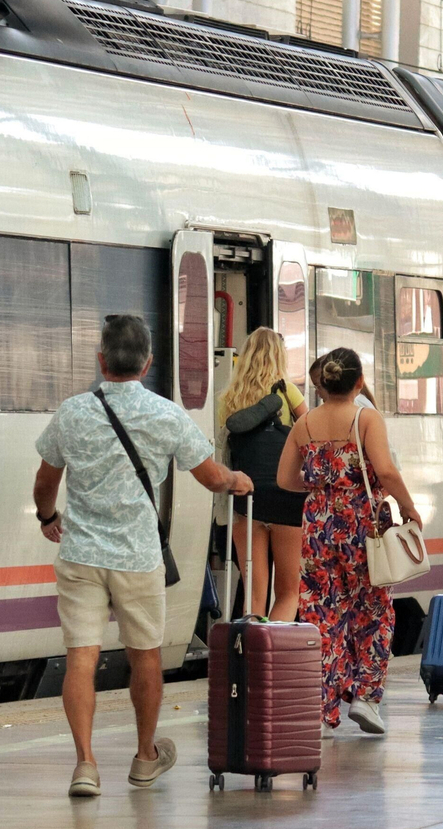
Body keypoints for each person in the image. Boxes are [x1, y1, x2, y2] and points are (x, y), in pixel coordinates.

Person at [33, 314, 252, 798]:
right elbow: (212, 477)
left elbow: (45, 483)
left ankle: (85, 764)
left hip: (82, 554)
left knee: (81, 659)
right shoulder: (166, 414)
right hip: (137, 556)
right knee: (146, 657)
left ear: (100, 361)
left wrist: (47, 517)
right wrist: (237, 480)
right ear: (148, 363)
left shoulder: (72, 412)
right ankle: (145, 755)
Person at [278, 348, 419, 735]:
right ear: (358, 382)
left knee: (322, 614)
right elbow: (386, 471)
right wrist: (410, 509)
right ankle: (367, 699)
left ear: (321, 383)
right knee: (373, 611)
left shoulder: (303, 424)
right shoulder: (366, 418)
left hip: (318, 527)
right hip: (363, 524)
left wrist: (321, 490)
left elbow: (285, 480)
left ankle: (323, 707)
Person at [216, 327, 307, 621]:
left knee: (253, 594)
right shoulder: (287, 390)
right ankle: (274, 662)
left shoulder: (228, 398)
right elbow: (310, 434)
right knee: (288, 592)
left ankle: (250, 659)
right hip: (286, 500)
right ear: (278, 356)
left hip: (247, 500)